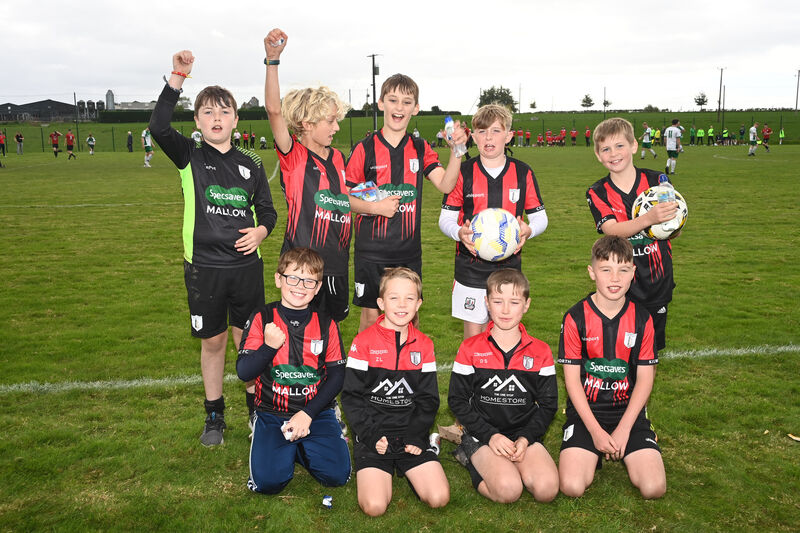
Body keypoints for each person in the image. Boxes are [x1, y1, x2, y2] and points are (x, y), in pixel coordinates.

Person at [149, 50, 278, 447]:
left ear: (236, 120)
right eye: (207, 112)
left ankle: (257, 413)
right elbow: (157, 125)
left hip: (246, 268)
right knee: (213, 342)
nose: (216, 118)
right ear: (197, 121)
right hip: (204, 268)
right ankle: (214, 416)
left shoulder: (251, 162)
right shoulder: (189, 155)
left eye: (224, 111)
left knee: (248, 342)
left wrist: (260, 232)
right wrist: (178, 76)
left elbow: (268, 211)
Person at [346, 73, 466, 332]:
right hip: (371, 250)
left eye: (406, 102)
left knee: (409, 317)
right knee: (370, 317)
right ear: (381, 104)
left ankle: (408, 360)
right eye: (393, 100)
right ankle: (365, 360)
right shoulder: (364, 148)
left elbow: (446, 185)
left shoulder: (420, 148)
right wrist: (375, 208)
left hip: (408, 252)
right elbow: (344, 198)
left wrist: (456, 152)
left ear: (416, 108)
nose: (399, 107)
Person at [557, 235, 666, 500]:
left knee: (653, 488)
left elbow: (645, 379)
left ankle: (626, 440)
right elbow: (572, 381)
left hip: (628, 413)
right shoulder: (575, 317)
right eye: (606, 270)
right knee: (572, 486)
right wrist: (596, 432)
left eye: (623, 270)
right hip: (587, 414)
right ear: (592, 272)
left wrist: (625, 429)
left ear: (633, 273)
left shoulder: (643, 319)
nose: (615, 278)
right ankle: (592, 450)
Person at [237, 247, 351, 494]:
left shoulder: (326, 323)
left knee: (337, 476)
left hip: (316, 412)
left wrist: (308, 413)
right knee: (268, 484)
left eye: (309, 281)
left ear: (318, 287)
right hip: (271, 412)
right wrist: (268, 347)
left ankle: (297, 446)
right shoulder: (262, 317)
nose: (300, 286)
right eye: (293, 278)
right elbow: (244, 372)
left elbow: (337, 376)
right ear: (278, 279)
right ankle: (280, 443)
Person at [341, 267, 449, 516]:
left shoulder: (424, 345)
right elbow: (352, 397)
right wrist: (371, 436)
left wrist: (416, 436)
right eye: (394, 298)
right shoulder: (363, 342)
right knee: (375, 506)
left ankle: (422, 452)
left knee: (439, 498)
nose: (402, 304)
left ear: (418, 304)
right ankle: (381, 465)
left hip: (410, 432)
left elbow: (428, 399)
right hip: (373, 434)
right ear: (381, 303)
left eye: (409, 298)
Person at [448, 268, 559, 503]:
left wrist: (526, 438)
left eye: (514, 302)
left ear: (526, 305)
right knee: (509, 490)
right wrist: (490, 436)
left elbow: (548, 405)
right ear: (487, 303)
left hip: (522, 434)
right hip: (482, 434)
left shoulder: (540, 351)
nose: (506, 310)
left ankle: (511, 461)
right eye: (498, 302)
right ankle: (468, 454)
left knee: (547, 490)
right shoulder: (470, 348)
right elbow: (457, 401)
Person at [264, 28, 352, 323]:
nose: (336, 127)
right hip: (301, 267)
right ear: (307, 123)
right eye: (331, 121)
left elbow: (345, 200)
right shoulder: (294, 156)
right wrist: (272, 61)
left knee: (330, 334)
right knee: (298, 333)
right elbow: (274, 111)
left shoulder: (338, 158)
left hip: (337, 265)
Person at [439, 104, 547, 340]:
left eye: (496, 131)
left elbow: (540, 217)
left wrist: (529, 230)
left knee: (504, 334)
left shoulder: (522, 172)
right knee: (473, 338)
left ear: (508, 136)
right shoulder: (462, 172)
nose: (488, 137)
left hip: (509, 268)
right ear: (473, 136)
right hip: (470, 267)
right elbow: (445, 218)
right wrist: (459, 233)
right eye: (482, 131)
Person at [586, 117, 679, 351]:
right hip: (617, 285)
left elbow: (674, 227)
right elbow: (612, 230)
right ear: (598, 155)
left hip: (656, 282)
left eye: (620, 146)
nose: (613, 154)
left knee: (650, 353)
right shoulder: (597, 192)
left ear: (634, 146)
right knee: (619, 351)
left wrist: (671, 224)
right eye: (606, 149)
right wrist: (649, 219)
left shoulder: (658, 181)